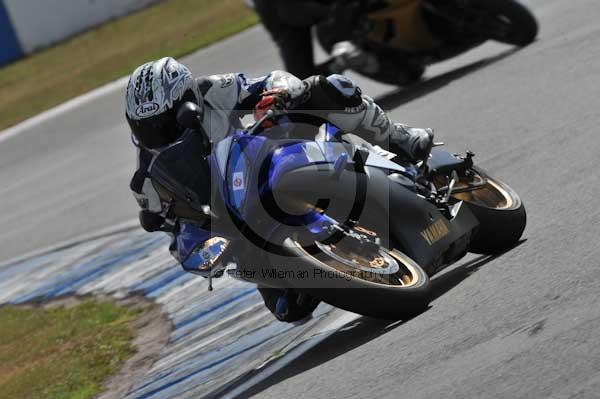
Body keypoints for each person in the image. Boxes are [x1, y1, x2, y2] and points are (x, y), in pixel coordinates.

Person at [125, 57, 432, 321]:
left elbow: (272, 79)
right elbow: (173, 233)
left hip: (265, 160)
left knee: (326, 87)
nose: (156, 134)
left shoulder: (212, 90)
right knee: (289, 310)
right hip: (238, 222)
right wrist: (189, 239)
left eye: (163, 123)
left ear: (187, 99)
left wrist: (279, 93)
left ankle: (399, 138)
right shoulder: (146, 180)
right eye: (146, 127)